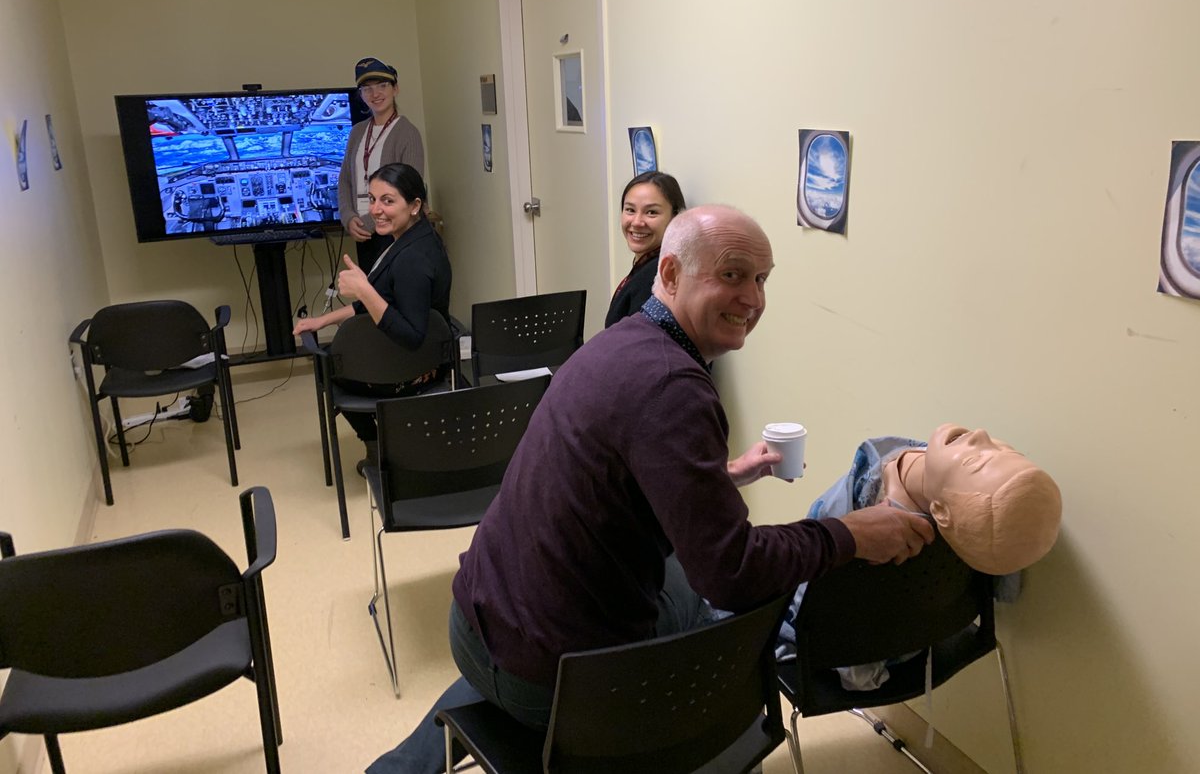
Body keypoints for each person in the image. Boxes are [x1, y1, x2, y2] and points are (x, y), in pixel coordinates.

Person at [366, 205, 932, 774]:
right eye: (732, 275)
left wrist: (717, 479)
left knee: (678, 574)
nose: (754, 299)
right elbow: (731, 574)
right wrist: (849, 535)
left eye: (762, 279)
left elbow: (607, 478)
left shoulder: (620, 345)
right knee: (725, 600)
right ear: (669, 275)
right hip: (552, 681)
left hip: (478, 626)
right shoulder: (674, 387)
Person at [776, 423, 1062, 688]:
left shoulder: (870, 526)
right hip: (926, 635)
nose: (981, 435)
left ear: (939, 512)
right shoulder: (969, 515)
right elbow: (1006, 584)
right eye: (1006, 451)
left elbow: (813, 609)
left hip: (853, 650)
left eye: (974, 463)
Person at [296, 163, 450, 471]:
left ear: (415, 205)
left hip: (408, 371)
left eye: (388, 201)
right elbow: (384, 303)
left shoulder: (412, 260)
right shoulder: (414, 239)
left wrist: (364, 290)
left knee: (333, 368)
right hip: (421, 363)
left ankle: (377, 445)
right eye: (373, 199)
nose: (376, 210)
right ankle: (390, 444)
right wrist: (322, 321)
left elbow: (411, 336)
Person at [339, 57, 425, 273]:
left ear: (395, 89)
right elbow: (345, 180)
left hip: (395, 233)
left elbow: (410, 190)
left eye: (382, 86)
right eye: (367, 89)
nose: (375, 94)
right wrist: (349, 218)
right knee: (370, 295)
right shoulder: (357, 132)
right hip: (362, 232)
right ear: (360, 95)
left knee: (390, 298)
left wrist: (370, 221)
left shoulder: (407, 133)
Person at [604, 171, 687, 327]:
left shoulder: (661, 275)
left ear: (675, 217)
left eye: (651, 212)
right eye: (630, 210)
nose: (637, 222)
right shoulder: (648, 264)